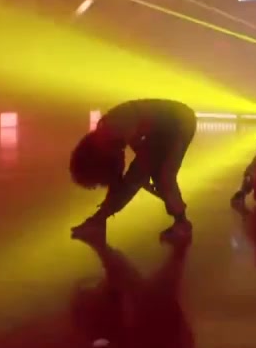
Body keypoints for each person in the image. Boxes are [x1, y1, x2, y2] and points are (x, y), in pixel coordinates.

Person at [69, 98, 197, 244]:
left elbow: (129, 168)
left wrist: (145, 175)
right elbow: (129, 166)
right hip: (164, 125)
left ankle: (182, 223)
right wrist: (143, 175)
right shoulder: (108, 133)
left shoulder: (115, 129)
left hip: (180, 122)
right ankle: (98, 221)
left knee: (164, 176)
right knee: (144, 176)